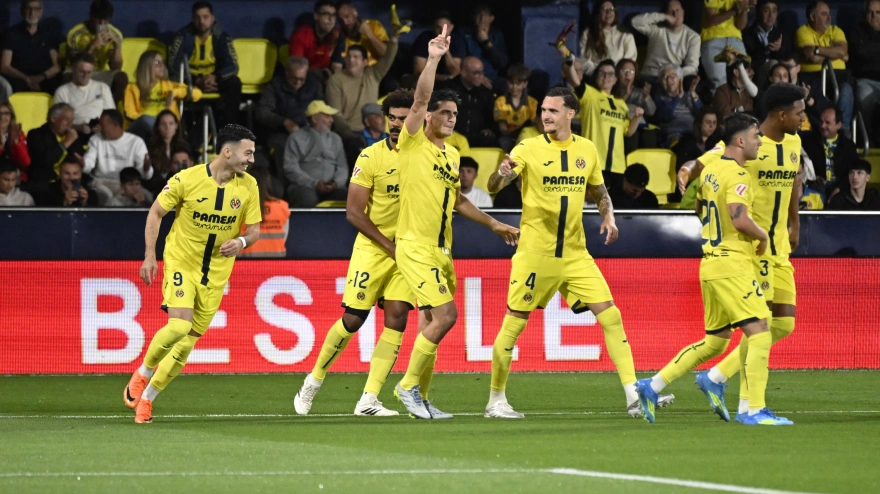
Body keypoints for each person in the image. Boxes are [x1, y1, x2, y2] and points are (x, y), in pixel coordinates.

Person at [485, 87, 671, 419]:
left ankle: (633, 396)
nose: (545, 115)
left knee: (611, 315)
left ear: (571, 114)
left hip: (575, 253)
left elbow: (599, 191)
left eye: (553, 110)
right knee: (513, 326)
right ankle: (495, 400)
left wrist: (609, 215)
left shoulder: (587, 149)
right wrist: (500, 175)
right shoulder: (527, 147)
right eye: (543, 109)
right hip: (535, 254)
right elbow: (493, 187)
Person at [392, 25, 519, 419]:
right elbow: (421, 97)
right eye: (444, 112)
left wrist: (494, 224)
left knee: (430, 322)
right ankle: (407, 386)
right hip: (414, 245)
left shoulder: (450, 156)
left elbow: (458, 201)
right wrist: (433, 57)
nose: (450, 118)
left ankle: (422, 398)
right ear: (428, 116)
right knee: (447, 316)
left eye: (455, 114)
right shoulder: (413, 140)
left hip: (442, 249)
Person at [640, 112, 792, 426]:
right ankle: (754, 410)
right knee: (760, 331)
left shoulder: (712, 171)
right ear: (739, 140)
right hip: (732, 264)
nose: (758, 141)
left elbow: (699, 207)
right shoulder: (736, 174)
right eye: (754, 136)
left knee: (716, 341)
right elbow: (738, 217)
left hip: (710, 262)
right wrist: (762, 234)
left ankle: (652, 386)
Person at [294, 89, 434, 417]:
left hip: (407, 253)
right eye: (394, 118)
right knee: (354, 319)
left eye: (404, 117)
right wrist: (389, 246)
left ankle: (368, 399)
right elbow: (354, 213)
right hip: (374, 249)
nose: (398, 124)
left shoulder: (425, 155)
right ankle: (313, 380)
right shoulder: (371, 157)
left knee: (398, 316)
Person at [678, 84, 806, 422]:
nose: (803, 118)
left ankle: (716, 377)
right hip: (754, 248)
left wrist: (795, 223)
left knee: (785, 323)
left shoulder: (794, 142)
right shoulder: (746, 141)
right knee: (759, 327)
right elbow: (705, 161)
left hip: (779, 246)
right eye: (799, 112)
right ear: (781, 114)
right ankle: (750, 406)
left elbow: (794, 181)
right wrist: (687, 171)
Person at [123, 124, 261, 424]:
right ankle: (142, 373)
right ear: (228, 151)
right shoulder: (187, 179)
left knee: (186, 345)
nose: (251, 159)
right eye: (247, 152)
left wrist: (240, 242)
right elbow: (156, 213)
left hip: (216, 276)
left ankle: (147, 400)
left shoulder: (248, 186)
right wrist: (150, 255)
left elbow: (254, 231)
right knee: (178, 327)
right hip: (181, 263)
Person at [559, 47, 642, 181]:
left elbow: (628, 132)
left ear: (615, 79)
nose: (606, 77)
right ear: (596, 77)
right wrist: (568, 58)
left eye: (610, 74)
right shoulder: (590, 94)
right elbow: (573, 78)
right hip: (593, 163)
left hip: (617, 166)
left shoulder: (621, 104)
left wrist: (637, 118)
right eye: (602, 73)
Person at [168, 1, 242, 126]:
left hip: (214, 81)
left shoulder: (222, 37)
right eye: (197, 17)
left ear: (212, 18)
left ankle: (228, 133)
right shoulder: (182, 37)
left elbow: (233, 66)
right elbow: (173, 66)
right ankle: (178, 132)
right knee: (171, 81)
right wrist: (196, 80)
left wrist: (215, 77)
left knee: (234, 83)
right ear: (192, 19)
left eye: (205, 17)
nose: (201, 21)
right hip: (190, 81)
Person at [795, 1, 854, 134]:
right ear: (812, 17)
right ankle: (823, 133)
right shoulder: (803, 31)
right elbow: (812, 57)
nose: (829, 17)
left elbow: (842, 51)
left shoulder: (836, 30)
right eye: (823, 14)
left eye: (829, 14)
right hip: (813, 77)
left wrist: (817, 50)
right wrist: (837, 54)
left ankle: (843, 132)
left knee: (847, 91)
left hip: (839, 76)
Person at [256, 56, 323, 166]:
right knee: (285, 149)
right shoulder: (274, 86)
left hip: (309, 129)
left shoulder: (314, 85)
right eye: (294, 78)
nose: (298, 82)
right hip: (280, 132)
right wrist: (284, 122)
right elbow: (263, 113)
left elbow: (321, 107)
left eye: (302, 79)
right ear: (286, 73)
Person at [283, 100, 348, 207]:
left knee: (349, 197)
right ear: (314, 119)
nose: (331, 120)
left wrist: (336, 183)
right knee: (306, 198)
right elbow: (290, 167)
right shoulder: (296, 137)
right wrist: (314, 183)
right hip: (304, 186)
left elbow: (343, 167)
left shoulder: (336, 139)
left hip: (333, 187)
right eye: (327, 116)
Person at [325, 39, 398, 133]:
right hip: (349, 131)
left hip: (372, 130)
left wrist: (394, 41)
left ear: (365, 62)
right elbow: (336, 113)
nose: (351, 60)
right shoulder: (335, 80)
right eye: (348, 57)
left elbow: (388, 58)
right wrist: (347, 134)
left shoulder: (373, 75)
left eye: (356, 57)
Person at [125, 50, 201, 140]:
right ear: (146, 66)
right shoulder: (133, 88)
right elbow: (130, 114)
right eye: (157, 62)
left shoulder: (169, 86)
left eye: (163, 62)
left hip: (166, 128)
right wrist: (157, 122)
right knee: (145, 119)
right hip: (140, 130)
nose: (162, 66)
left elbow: (197, 94)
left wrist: (174, 93)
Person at [66, 0, 128, 102]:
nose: (102, 24)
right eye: (98, 20)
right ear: (91, 16)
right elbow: (75, 63)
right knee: (67, 77)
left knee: (121, 77)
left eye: (105, 21)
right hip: (76, 72)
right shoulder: (76, 33)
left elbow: (116, 67)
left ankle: (110, 110)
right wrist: (92, 46)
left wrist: (117, 47)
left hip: (100, 73)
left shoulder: (115, 34)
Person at [83, 109, 150, 202]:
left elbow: (145, 175)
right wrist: (83, 164)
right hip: (101, 183)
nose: (99, 128)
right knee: (107, 198)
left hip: (128, 184)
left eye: (102, 125)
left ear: (115, 125)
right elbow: (88, 164)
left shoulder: (136, 142)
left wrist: (146, 169)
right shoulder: (95, 139)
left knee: (148, 197)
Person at [1, 0, 62, 94]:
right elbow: (5, 66)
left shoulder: (48, 35)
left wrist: (39, 78)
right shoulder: (10, 34)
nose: (32, 12)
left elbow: (56, 66)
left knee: (56, 88)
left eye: (36, 9)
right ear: (22, 11)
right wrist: (27, 79)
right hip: (19, 79)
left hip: (43, 78)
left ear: (41, 12)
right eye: (28, 8)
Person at [631, 0, 701, 80]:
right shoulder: (657, 29)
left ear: (683, 12)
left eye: (677, 10)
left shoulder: (693, 37)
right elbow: (635, 22)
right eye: (671, 11)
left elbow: (692, 66)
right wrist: (663, 16)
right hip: (651, 74)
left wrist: (674, 73)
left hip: (673, 77)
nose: (675, 14)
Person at [54, 53, 116, 140]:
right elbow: (58, 124)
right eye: (82, 72)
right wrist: (78, 127)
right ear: (73, 69)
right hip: (77, 134)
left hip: (101, 132)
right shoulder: (62, 91)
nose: (85, 76)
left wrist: (103, 125)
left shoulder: (102, 87)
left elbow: (112, 115)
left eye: (89, 72)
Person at [26, 103, 84, 195]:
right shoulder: (36, 135)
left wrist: (81, 163)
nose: (70, 124)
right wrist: (66, 142)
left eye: (72, 120)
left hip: (69, 181)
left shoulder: (73, 136)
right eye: (66, 119)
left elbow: (76, 159)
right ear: (53, 118)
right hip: (44, 182)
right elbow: (45, 161)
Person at [802, 107, 859, 196]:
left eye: (827, 123)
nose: (822, 125)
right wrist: (811, 178)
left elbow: (852, 172)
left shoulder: (848, 146)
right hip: (814, 189)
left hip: (841, 191)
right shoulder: (809, 142)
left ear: (838, 125)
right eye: (821, 121)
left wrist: (838, 189)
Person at [444, 56, 498, 147]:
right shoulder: (448, 90)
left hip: (477, 136)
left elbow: (491, 116)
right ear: (463, 73)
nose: (481, 76)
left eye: (482, 72)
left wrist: (489, 128)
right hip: (453, 135)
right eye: (476, 73)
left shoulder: (485, 92)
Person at [238, 165, 290, 258]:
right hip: (276, 265)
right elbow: (284, 237)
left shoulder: (238, 206)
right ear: (268, 182)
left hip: (245, 265)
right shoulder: (282, 207)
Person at [700, 0, 751, 92]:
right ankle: (721, 106)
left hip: (735, 39)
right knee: (719, 82)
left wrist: (744, 8)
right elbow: (711, 20)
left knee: (743, 77)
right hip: (713, 39)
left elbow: (741, 26)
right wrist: (734, 10)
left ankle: (741, 105)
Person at [578, 1, 637, 76]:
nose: (608, 12)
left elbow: (630, 60)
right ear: (598, 12)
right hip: (595, 78)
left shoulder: (625, 34)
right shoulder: (588, 33)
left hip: (618, 78)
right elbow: (584, 60)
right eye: (604, 8)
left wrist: (614, 76)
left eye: (611, 8)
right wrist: (599, 74)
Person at [850, 0, 880, 144]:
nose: (874, 16)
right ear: (865, 14)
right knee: (864, 98)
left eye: (878, 12)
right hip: (865, 79)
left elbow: (867, 52)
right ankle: (868, 139)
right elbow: (860, 52)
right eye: (870, 12)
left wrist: (871, 51)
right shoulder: (857, 31)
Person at [331, 1, 390, 70]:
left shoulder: (374, 25)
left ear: (355, 13)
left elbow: (387, 55)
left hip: (381, 71)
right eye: (340, 20)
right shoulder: (339, 37)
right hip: (358, 76)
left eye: (347, 16)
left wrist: (369, 34)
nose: (345, 22)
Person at [654, 65, 703, 146]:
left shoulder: (689, 96)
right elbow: (665, 116)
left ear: (680, 79)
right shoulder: (660, 98)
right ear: (660, 82)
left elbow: (701, 115)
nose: (669, 80)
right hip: (672, 135)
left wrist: (693, 93)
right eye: (665, 77)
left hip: (692, 133)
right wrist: (678, 98)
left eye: (673, 76)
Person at [613, 58, 656, 151]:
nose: (628, 74)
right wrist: (626, 94)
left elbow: (651, 112)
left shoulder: (640, 92)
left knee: (649, 136)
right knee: (632, 137)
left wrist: (647, 97)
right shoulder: (611, 91)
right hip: (622, 125)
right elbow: (613, 108)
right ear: (617, 72)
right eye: (625, 70)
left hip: (640, 124)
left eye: (632, 71)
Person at [288, 0, 340, 76]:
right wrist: (317, 72)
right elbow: (296, 68)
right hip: (304, 77)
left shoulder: (337, 35)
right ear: (316, 16)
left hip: (327, 78)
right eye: (326, 14)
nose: (331, 19)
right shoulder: (301, 34)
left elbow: (337, 67)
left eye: (334, 15)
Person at [494, 63, 538, 152]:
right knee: (503, 141)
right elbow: (503, 128)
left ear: (525, 84)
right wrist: (513, 133)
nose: (514, 87)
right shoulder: (500, 101)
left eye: (518, 84)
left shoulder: (532, 103)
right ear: (507, 82)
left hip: (526, 137)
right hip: (508, 138)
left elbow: (533, 124)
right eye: (511, 83)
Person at [145, 110, 189, 193]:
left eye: (171, 124)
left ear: (176, 126)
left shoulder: (184, 147)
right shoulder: (150, 147)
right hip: (156, 189)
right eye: (163, 124)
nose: (167, 127)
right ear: (158, 127)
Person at [462, 5, 508, 84]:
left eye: (485, 15)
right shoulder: (464, 34)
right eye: (479, 14)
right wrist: (479, 78)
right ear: (473, 17)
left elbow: (502, 63)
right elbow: (460, 63)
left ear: (491, 18)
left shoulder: (497, 35)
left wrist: (486, 42)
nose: (481, 18)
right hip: (471, 78)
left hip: (493, 79)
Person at [413, 11, 466, 81]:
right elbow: (418, 72)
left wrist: (446, 51)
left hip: (447, 81)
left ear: (451, 27)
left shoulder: (457, 41)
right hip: (426, 80)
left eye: (445, 28)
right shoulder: (424, 39)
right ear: (433, 27)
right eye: (438, 27)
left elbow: (456, 72)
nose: (441, 32)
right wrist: (445, 78)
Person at [742, 0, 789, 71]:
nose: (771, 15)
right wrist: (765, 51)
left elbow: (787, 55)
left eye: (774, 11)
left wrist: (779, 49)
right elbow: (748, 61)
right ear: (758, 13)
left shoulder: (781, 34)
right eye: (766, 11)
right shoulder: (747, 34)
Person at [0, 101, 31, 179]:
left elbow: (26, 163)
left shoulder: (18, 133)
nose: (2, 117)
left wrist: (17, 143)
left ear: (11, 117)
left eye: (6, 114)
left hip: (15, 177)